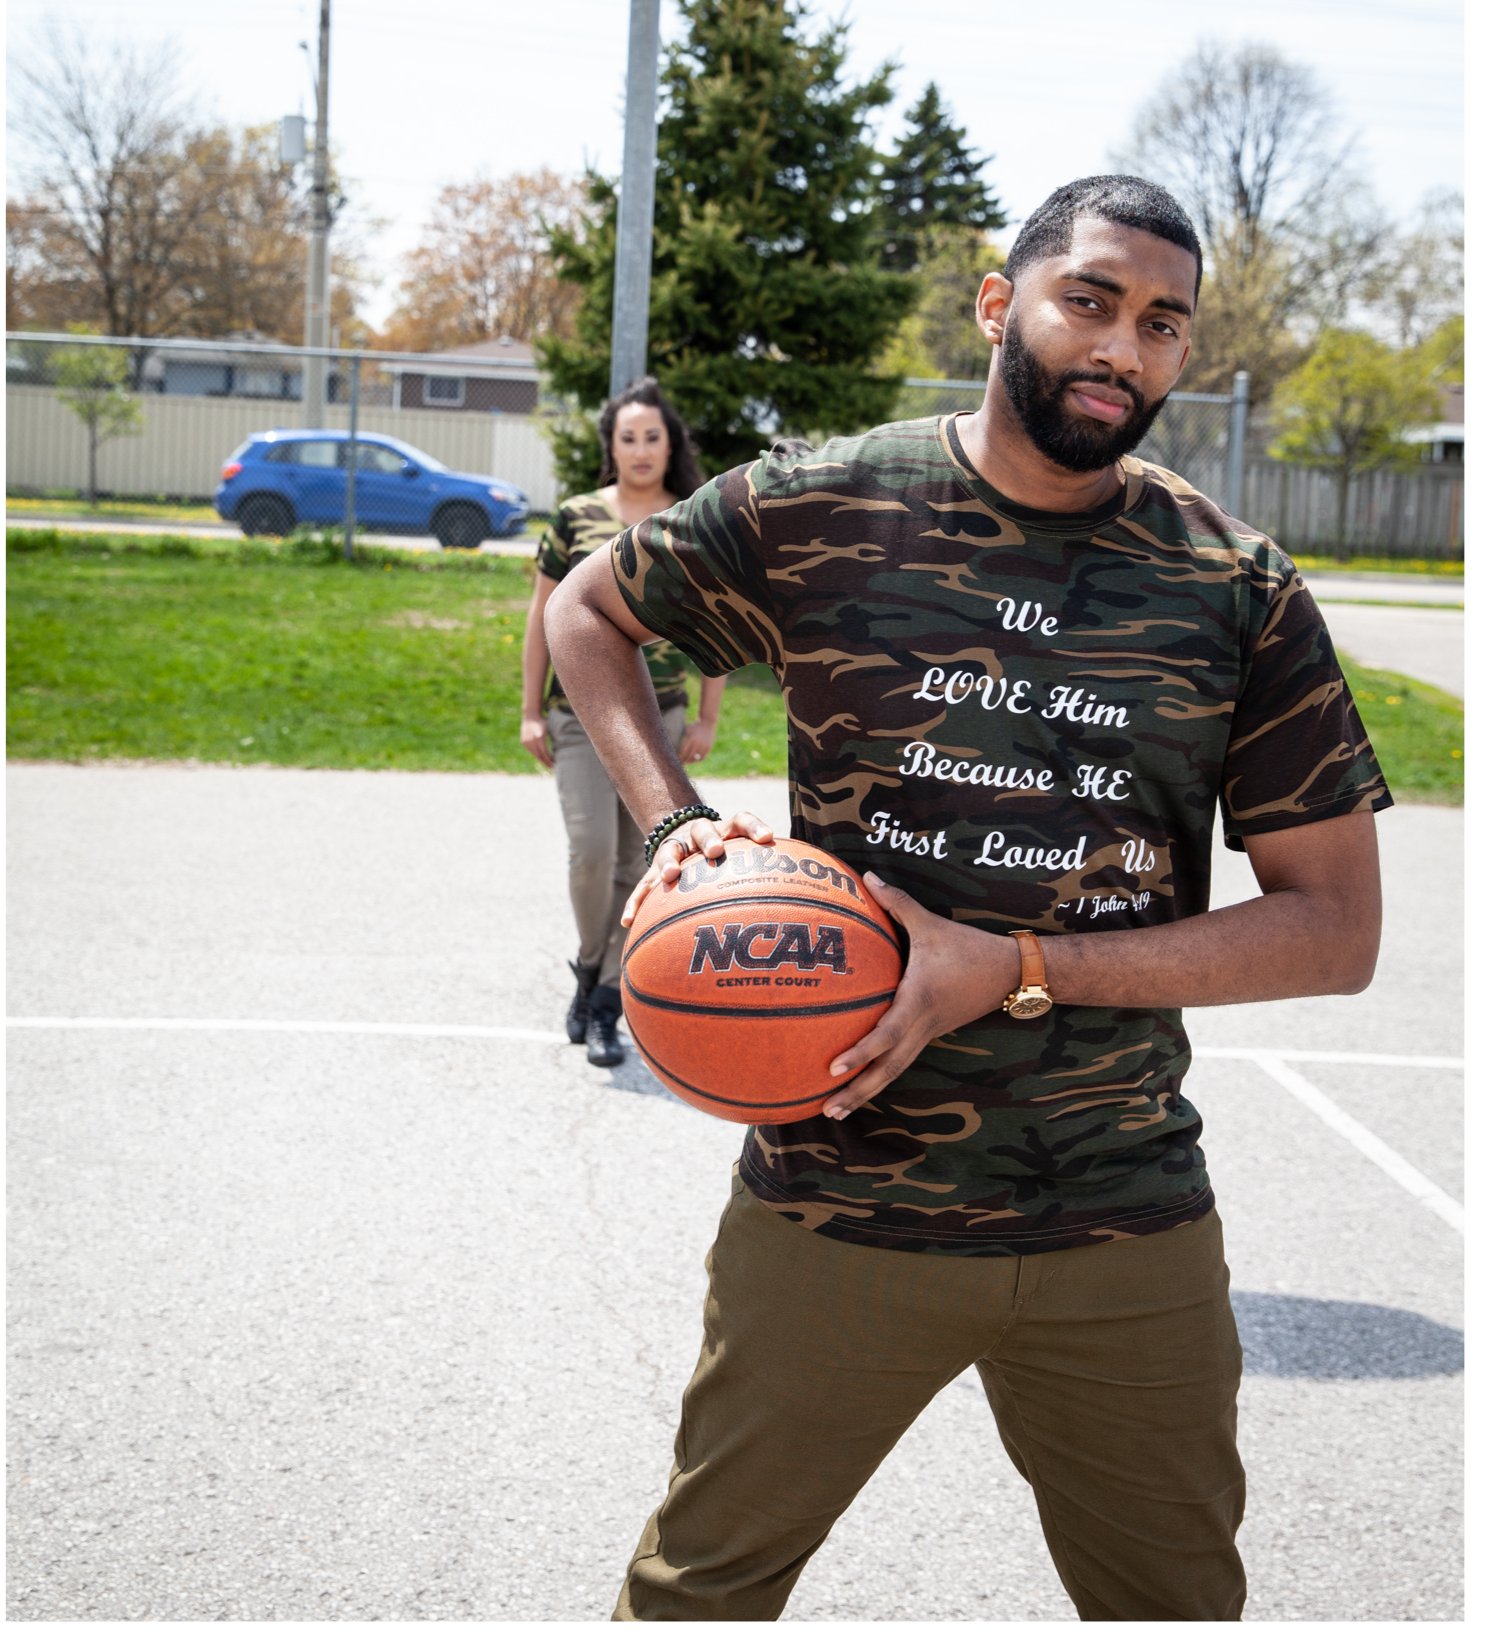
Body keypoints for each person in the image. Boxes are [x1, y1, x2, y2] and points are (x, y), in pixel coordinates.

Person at [544, 174, 1389, 1620]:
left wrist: (1010, 961)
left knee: (1177, 1605)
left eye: (1163, 322)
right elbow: (582, 608)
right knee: (694, 1598)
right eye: (1091, 300)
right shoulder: (825, 504)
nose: (1124, 346)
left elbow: (1334, 929)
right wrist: (673, 821)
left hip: (1119, 1215)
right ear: (999, 303)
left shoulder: (1230, 587)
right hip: (839, 1198)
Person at [521, 378, 725, 1067]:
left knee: (639, 864)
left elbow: (711, 626)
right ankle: (587, 961)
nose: (640, 448)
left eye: (652, 436)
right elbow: (541, 618)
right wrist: (527, 710)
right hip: (578, 717)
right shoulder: (575, 516)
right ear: (610, 446)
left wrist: (704, 715)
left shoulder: (690, 517)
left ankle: (605, 998)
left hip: (661, 716)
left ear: (670, 445)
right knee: (591, 854)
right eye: (626, 437)